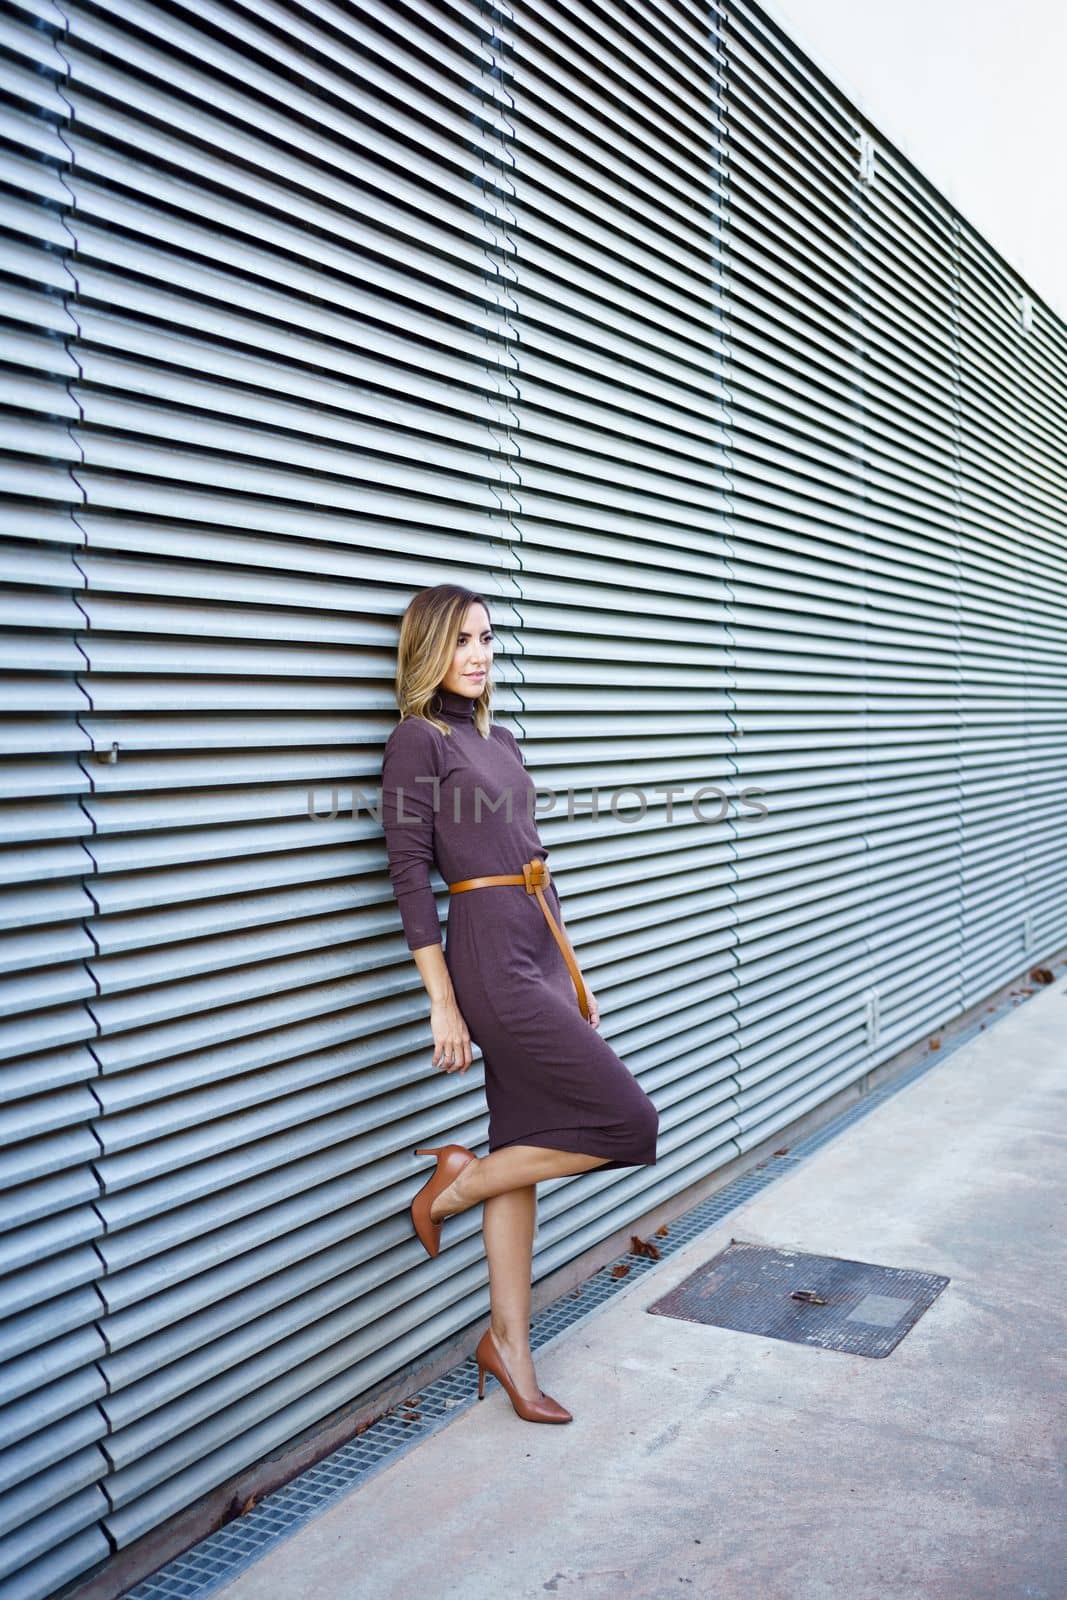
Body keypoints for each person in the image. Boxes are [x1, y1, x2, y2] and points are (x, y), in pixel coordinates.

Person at [379, 584, 659, 1422]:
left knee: (528, 1146)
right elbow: (409, 880)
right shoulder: (415, 741)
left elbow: (534, 859)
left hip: (538, 947)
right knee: (627, 1124)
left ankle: (508, 1346)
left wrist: (574, 974)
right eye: (460, 640)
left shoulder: (495, 738)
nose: (477, 654)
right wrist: (441, 1004)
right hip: (487, 956)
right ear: (426, 649)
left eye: (486, 638)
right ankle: (452, 1186)